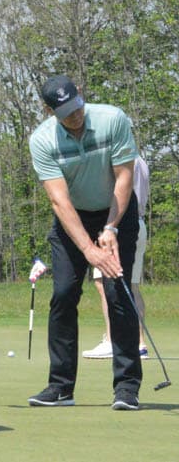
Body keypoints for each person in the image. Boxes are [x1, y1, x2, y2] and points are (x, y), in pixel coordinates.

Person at [27, 75, 142, 410]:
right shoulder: (42, 140)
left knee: (116, 293)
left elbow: (124, 176)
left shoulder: (112, 119)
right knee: (63, 293)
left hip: (116, 212)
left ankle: (127, 388)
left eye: (76, 106)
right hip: (72, 218)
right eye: (64, 111)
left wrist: (111, 229)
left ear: (81, 94)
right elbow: (59, 201)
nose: (74, 116)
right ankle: (61, 387)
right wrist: (89, 250)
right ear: (49, 110)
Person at [83, 154, 150, 359]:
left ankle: (113, 340)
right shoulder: (141, 161)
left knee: (104, 283)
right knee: (131, 285)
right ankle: (138, 343)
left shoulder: (118, 161)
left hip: (116, 226)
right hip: (138, 224)